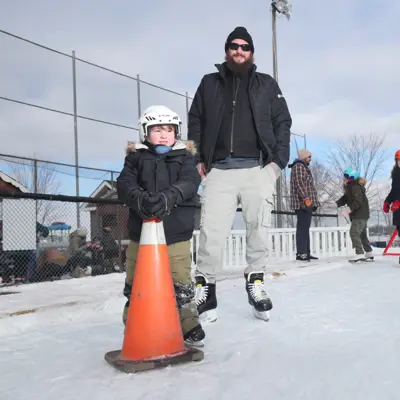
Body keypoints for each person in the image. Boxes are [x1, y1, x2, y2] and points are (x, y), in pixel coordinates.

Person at [188, 26, 292, 322]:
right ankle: (206, 291)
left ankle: (256, 283)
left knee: (258, 229)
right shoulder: (209, 83)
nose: (239, 50)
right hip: (218, 170)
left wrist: (277, 163)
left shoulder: (266, 84)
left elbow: (282, 121)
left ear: (251, 52)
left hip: (257, 169)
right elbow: (195, 120)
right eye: (234, 46)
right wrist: (197, 158)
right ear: (226, 50)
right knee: (211, 233)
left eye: (245, 46)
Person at [116, 105, 205, 346]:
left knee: (180, 281)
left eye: (169, 129)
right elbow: (124, 184)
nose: (164, 134)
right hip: (141, 237)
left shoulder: (185, 158)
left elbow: (190, 181)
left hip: (176, 233)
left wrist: (170, 196)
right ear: (145, 132)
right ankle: (134, 322)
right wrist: (138, 198)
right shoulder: (135, 158)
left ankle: (188, 323)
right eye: (157, 129)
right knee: (136, 282)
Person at [328, 168, 373, 262]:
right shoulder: (350, 187)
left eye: (345, 177)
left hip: (359, 214)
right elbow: (344, 199)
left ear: (351, 177)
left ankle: (359, 253)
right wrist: (336, 204)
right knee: (362, 234)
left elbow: (358, 202)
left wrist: (348, 210)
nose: (343, 178)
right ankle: (368, 252)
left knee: (354, 233)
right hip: (361, 214)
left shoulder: (355, 187)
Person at [288, 149, 320, 261]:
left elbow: (308, 185)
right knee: (302, 228)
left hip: (307, 203)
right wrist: (306, 199)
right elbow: (300, 184)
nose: (310, 159)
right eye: (309, 157)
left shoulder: (303, 167)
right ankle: (301, 253)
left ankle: (306, 252)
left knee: (305, 228)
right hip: (302, 203)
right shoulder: (299, 167)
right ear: (303, 157)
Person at [383, 150, 400, 262]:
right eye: (399, 160)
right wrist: (387, 201)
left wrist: (399, 201)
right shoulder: (396, 174)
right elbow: (394, 190)